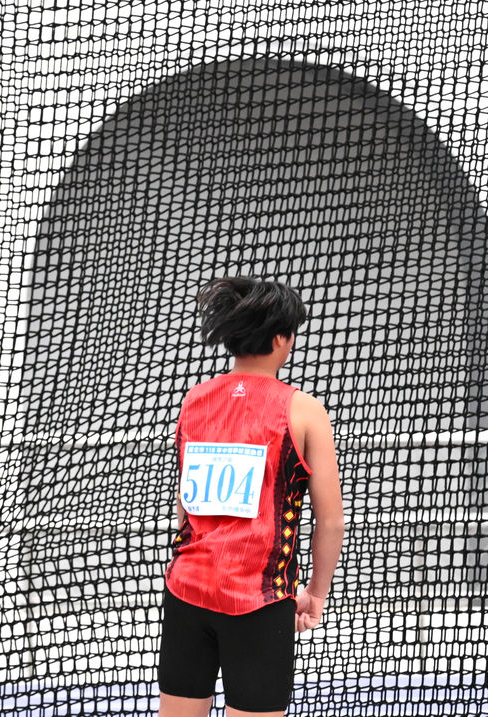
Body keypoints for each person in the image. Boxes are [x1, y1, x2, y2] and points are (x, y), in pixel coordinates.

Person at [158, 277, 345, 717]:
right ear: (281, 339)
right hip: (260, 601)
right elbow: (330, 520)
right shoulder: (304, 410)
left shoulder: (195, 400)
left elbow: (187, 505)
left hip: (186, 592)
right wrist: (316, 595)